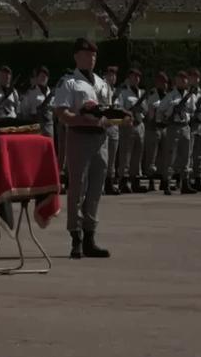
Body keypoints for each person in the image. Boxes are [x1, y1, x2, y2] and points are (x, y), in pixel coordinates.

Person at [53, 38, 119, 259]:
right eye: (85, 54)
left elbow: (108, 112)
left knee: (96, 189)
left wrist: (117, 119)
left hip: (100, 139)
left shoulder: (102, 83)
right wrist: (82, 119)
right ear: (76, 56)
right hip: (79, 137)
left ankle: (90, 236)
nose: (90, 58)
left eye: (93, 55)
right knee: (77, 188)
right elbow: (62, 114)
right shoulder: (69, 82)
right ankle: (76, 237)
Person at [159, 71, 197, 195]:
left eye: (185, 79)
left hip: (185, 126)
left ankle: (185, 182)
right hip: (173, 127)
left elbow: (193, 110)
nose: (184, 81)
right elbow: (161, 109)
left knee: (186, 156)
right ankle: (167, 182)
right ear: (176, 81)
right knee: (171, 156)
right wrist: (171, 111)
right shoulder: (171, 95)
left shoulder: (190, 96)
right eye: (181, 79)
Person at [116, 68, 148, 193]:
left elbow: (146, 109)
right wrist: (129, 111)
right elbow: (119, 106)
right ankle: (123, 181)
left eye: (138, 77)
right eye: (134, 77)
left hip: (139, 124)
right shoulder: (123, 92)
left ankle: (135, 181)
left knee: (138, 154)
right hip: (128, 125)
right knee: (126, 154)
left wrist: (141, 109)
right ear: (129, 78)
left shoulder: (141, 92)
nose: (136, 79)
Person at [143, 72, 170, 191]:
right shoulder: (151, 95)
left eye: (165, 82)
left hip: (165, 127)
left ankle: (165, 180)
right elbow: (148, 114)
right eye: (161, 81)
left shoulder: (168, 96)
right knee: (151, 157)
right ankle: (150, 181)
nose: (164, 84)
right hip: (153, 128)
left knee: (165, 157)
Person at [187, 68, 201, 191]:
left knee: (199, 154)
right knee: (189, 153)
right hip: (191, 124)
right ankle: (187, 179)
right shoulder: (186, 92)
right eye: (193, 76)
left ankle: (198, 179)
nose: (195, 79)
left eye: (197, 77)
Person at [101, 66, 121, 195]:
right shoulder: (101, 89)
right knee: (103, 157)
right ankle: (101, 184)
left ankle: (110, 183)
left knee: (112, 158)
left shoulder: (118, 91)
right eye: (109, 75)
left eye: (114, 75)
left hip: (114, 126)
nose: (112, 77)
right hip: (104, 125)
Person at [19, 66, 54, 137]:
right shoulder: (30, 92)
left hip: (49, 124)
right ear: (37, 78)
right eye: (41, 76)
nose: (44, 78)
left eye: (46, 76)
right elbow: (24, 110)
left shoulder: (51, 93)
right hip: (35, 123)